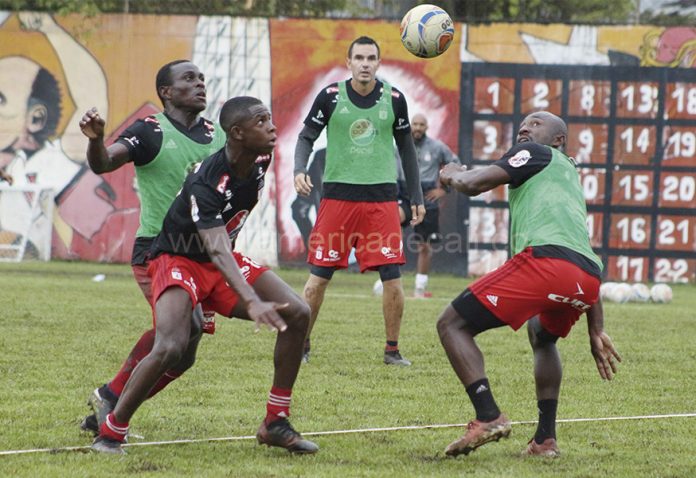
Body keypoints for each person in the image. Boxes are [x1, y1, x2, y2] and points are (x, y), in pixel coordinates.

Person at [91, 96, 318, 455]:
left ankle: (275, 421)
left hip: (218, 263)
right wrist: (251, 299)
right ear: (238, 133)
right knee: (171, 346)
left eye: (270, 119)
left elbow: (223, 249)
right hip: (177, 259)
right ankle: (111, 432)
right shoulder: (207, 181)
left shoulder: (261, 156)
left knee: (298, 313)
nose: (272, 127)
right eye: (262, 121)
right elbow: (215, 248)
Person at [436, 111, 621, 457]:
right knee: (543, 335)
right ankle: (545, 441)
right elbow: (579, 249)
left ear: (558, 140)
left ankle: (487, 416)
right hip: (587, 276)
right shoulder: (568, 173)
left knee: (451, 324)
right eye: (522, 124)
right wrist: (597, 327)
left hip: (547, 264)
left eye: (536, 123)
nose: (525, 127)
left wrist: (452, 174)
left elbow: (474, 184)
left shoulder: (538, 154)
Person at [78, 60, 226, 435]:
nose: (199, 84)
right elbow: (104, 164)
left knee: (185, 353)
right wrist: (96, 140)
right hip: (157, 249)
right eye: (189, 79)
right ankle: (113, 410)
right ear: (166, 91)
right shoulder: (150, 130)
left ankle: (109, 397)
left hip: (200, 254)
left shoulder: (219, 135)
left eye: (202, 79)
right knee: (177, 335)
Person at [293, 36, 425, 366]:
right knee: (318, 277)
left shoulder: (394, 99)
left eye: (371, 58)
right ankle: (301, 345)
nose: (365, 63)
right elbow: (306, 136)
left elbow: (408, 150)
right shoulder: (330, 97)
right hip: (337, 199)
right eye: (359, 58)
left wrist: (415, 196)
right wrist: (298, 169)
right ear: (349, 62)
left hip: (382, 201)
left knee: (392, 278)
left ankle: (392, 351)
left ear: (378, 63)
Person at [373, 114, 460, 298]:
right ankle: (386, 279)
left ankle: (420, 286)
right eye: (415, 124)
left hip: (427, 194)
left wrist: (444, 189)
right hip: (404, 193)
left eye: (422, 124)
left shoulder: (437, 147)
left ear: (427, 127)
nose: (418, 127)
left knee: (424, 246)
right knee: (392, 227)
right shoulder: (400, 146)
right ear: (410, 125)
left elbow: (456, 164)